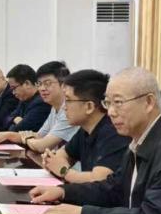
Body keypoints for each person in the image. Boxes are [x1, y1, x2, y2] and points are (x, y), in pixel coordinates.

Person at [35, 67, 161, 214]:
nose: (110, 112)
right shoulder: (139, 140)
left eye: (118, 102)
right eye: (108, 103)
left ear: (148, 102)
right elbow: (113, 189)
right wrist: (63, 192)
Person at [29, 69, 129, 197]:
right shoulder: (85, 129)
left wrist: (65, 172)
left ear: (89, 107)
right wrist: (52, 161)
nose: (64, 107)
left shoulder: (113, 132)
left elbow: (99, 181)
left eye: (68, 100)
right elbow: (60, 156)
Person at [0, 61, 75, 150]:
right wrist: (6, 135)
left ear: (64, 85)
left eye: (47, 83)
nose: (42, 88)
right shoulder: (54, 108)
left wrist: (25, 138)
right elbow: (39, 135)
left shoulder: (69, 110)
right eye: (39, 84)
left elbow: (42, 145)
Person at [0, 64, 49, 132]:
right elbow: (5, 120)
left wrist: (13, 121)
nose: (13, 93)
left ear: (27, 83)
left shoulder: (41, 102)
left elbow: (19, 129)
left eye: (14, 88)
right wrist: (14, 119)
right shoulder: (23, 99)